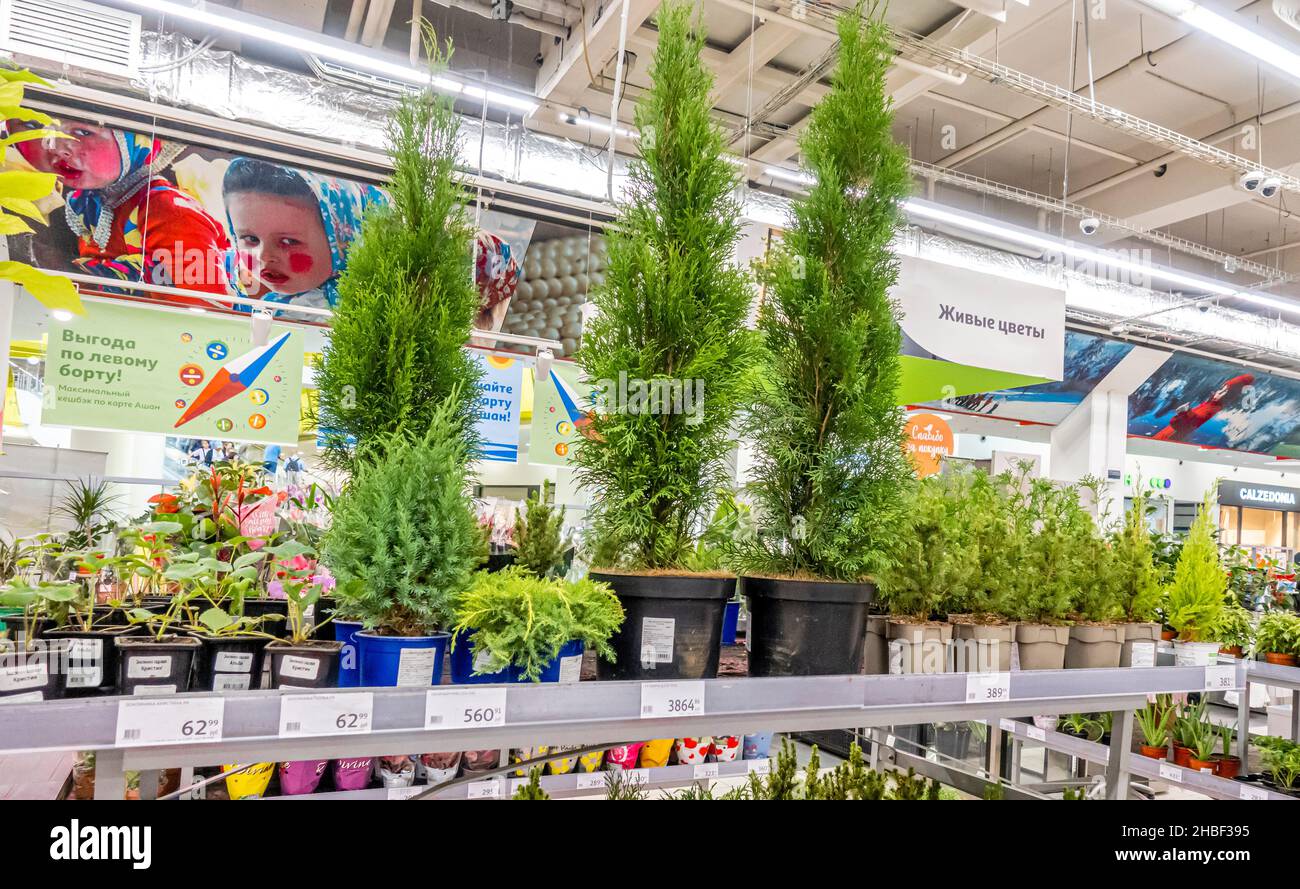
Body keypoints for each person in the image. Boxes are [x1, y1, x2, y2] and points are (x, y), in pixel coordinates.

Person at [5, 119, 229, 298]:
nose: (55, 147)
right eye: (34, 127)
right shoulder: (89, 205)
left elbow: (204, 305)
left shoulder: (168, 211)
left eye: (83, 132)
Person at [221, 158, 387, 312]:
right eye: (251, 239)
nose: (264, 256)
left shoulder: (369, 312)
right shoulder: (269, 306)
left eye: (288, 241)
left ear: (344, 237)